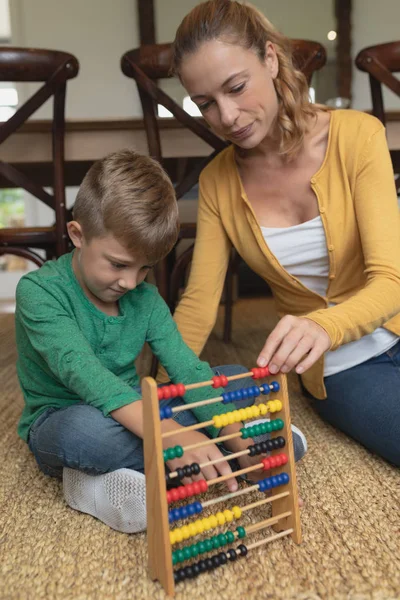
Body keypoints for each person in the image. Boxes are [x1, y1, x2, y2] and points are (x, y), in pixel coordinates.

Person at [15, 149, 306, 534]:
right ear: (77, 235)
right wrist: (170, 434)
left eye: (145, 268)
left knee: (234, 379)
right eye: (118, 264)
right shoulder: (38, 291)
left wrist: (232, 433)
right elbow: (83, 373)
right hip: (65, 416)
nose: (131, 283)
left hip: (136, 406)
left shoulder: (145, 299)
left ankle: (160, 466)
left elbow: (187, 369)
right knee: (81, 433)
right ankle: (177, 460)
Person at [163, 0, 400, 466]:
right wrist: (153, 388)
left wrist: (321, 324)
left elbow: (392, 280)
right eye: (206, 103)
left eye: (236, 87)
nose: (227, 116)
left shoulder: (358, 136)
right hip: (343, 367)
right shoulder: (217, 182)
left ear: (270, 59)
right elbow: (197, 305)